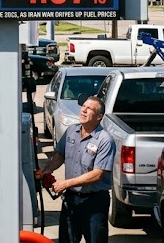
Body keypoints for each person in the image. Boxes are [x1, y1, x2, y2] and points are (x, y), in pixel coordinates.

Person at [39, 95, 115, 243]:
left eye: (89, 109)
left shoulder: (105, 140)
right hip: (71, 199)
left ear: (99, 117)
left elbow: (97, 174)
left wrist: (65, 184)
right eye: (83, 107)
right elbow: (60, 155)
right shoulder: (71, 131)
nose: (84, 111)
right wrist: (47, 170)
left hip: (94, 202)